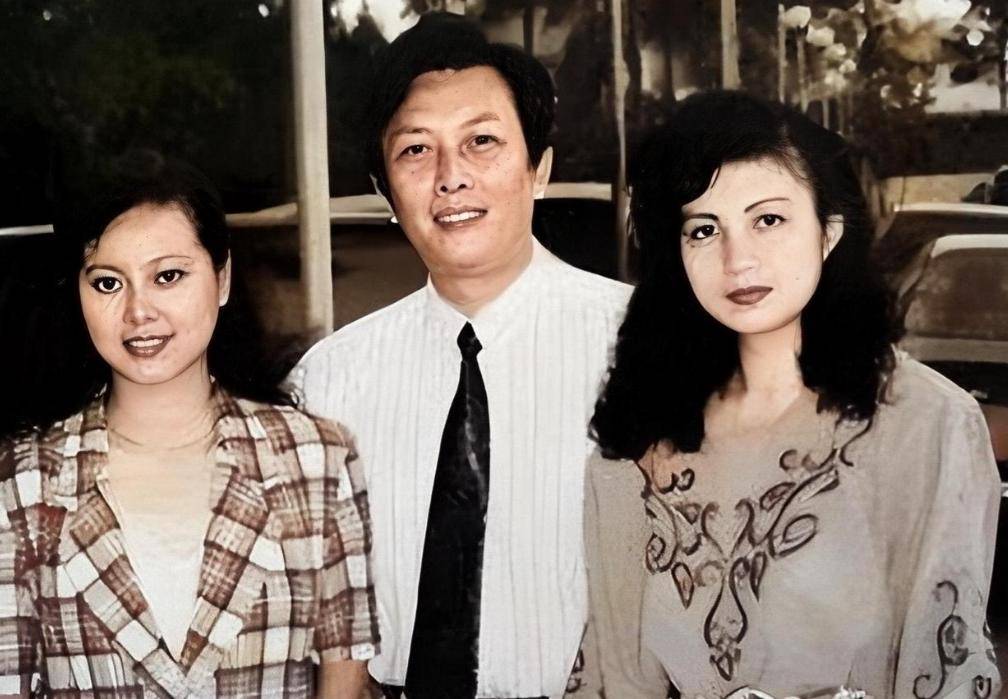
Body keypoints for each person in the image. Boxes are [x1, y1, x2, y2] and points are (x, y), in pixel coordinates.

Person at [585, 91, 1001, 699]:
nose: (738, 260)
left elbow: (946, 673)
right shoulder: (640, 432)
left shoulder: (925, 423)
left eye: (768, 220)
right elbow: (614, 677)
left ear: (828, 233)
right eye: (704, 229)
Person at [292, 12, 631, 699]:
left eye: (482, 141)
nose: (451, 177)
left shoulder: (637, 345)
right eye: (416, 150)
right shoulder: (326, 383)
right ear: (386, 192)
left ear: (539, 169)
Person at [0, 152, 379, 698]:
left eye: (168, 276)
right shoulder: (24, 480)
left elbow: (345, 670)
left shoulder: (316, 458)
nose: (139, 311)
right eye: (107, 283)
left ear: (222, 279)